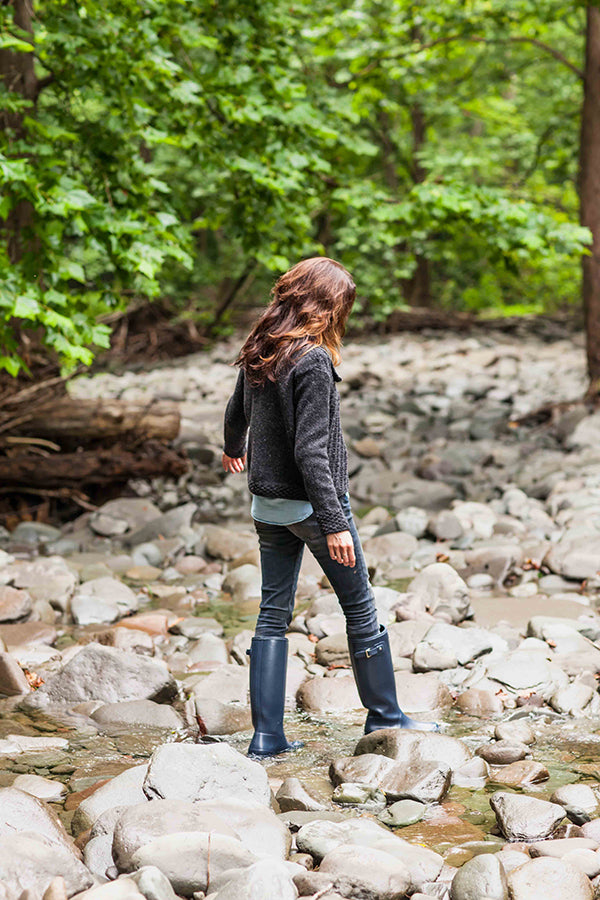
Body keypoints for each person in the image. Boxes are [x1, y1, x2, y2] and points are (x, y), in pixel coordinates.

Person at [222, 257, 437, 758]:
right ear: (325, 305)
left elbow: (237, 413)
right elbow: (310, 450)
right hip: (314, 507)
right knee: (359, 606)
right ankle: (385, 716)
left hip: (267, 505)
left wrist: (234, 448)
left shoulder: (261, 347)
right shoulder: (312, 360)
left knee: (272, 614)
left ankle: (266, 737)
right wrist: (335, 523)